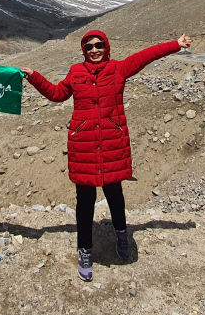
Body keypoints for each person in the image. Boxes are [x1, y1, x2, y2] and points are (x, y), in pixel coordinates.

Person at [21, 29, 192, 282]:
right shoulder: (75, 72)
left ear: (106, 47)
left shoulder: (118, 69)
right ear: (84, 50)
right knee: (85, 201)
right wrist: (35, 77)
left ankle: (122, 235)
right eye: (89, 46)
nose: (94, 50)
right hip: (84, 146)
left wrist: (175, 44)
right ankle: (85, 251)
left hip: (112, 144)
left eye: (99, 45)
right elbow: (57, 94)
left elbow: (146, 56)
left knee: (115, 195)